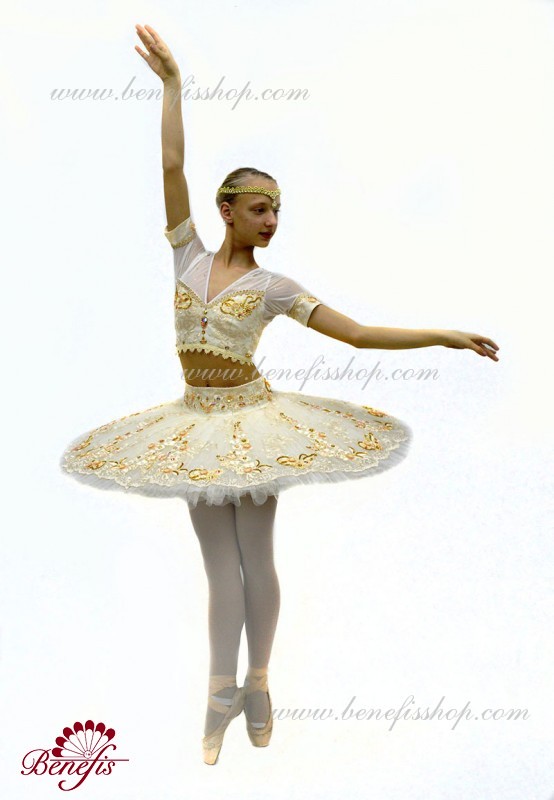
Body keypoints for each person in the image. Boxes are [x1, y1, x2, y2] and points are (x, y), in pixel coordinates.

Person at [59, 24, 500, 765]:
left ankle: (258, 684)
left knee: (255, 560)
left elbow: (357, 334)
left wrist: (443, 335)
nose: (272, 221)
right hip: (194, 424)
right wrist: (173, 86)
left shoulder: (274, 287)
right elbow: (171, 163)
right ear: (227, 210)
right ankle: (219, 693)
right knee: (217, 570)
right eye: (261, 208)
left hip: (253, 424)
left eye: (278, 211)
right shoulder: (186, 255)